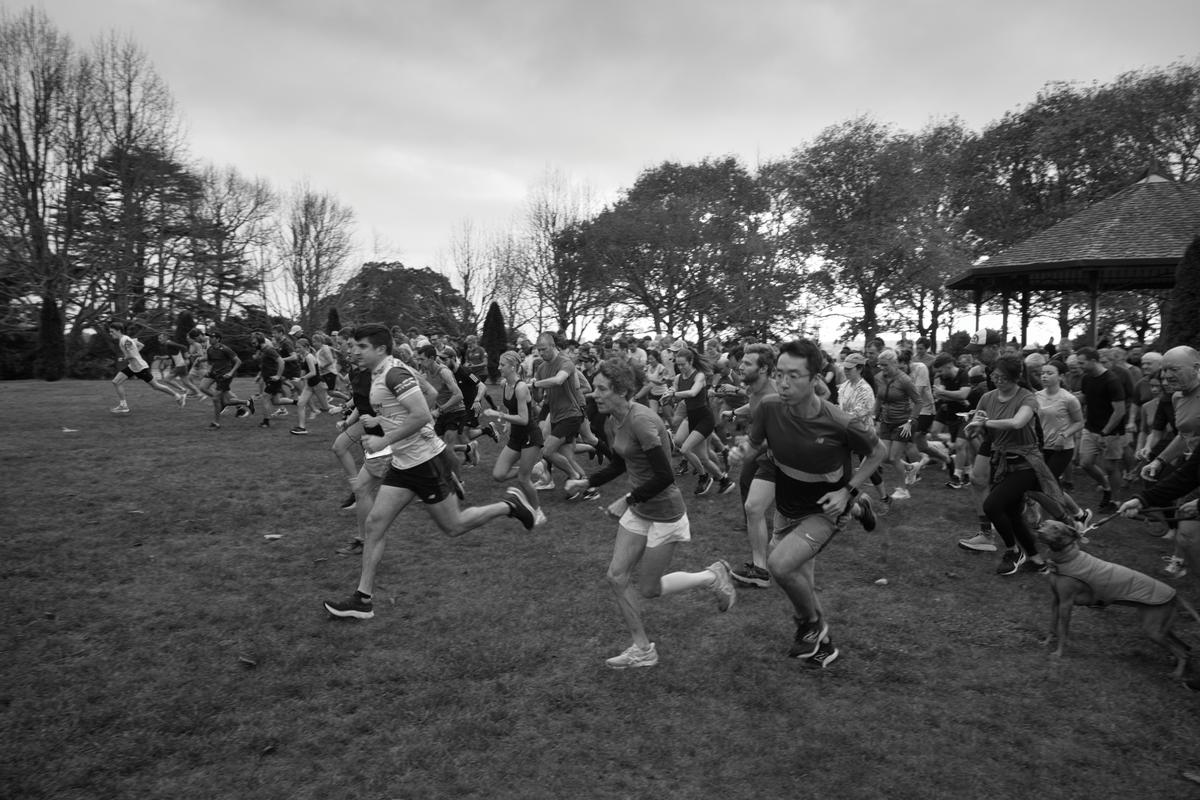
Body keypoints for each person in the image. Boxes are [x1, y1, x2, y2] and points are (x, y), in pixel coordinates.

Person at [323, 324, 538, 620]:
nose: (354, 351)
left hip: (425, 462)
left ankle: (509, 506)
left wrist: (385, 437)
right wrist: (380, 421)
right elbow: (418, 401)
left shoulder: (393, 373)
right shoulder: (381, 372)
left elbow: (423, 413)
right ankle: (363, 599)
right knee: (375, 523)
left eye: (361, 347)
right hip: (403, 464)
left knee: (455, 526)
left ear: (381, 349)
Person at [563, 358, 736, 669]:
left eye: (602, 389)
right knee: (616, 577)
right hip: (641, 507)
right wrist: (587, 480)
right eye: (596, 389)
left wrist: (626, 500)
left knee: (649, 589)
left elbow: (665, 475)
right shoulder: (612, 420)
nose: (595, 394)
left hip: (666, 513)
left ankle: (712, 576)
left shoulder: (642, 420)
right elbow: (619, 463)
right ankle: (642, 649)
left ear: (622, 390)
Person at [736, 339, 885, 667]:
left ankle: (810, 625)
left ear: (815, 378)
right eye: (780, 374)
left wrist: (848, 491)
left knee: (778, 565)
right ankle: (824, 645)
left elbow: (878, 453)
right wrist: (741, 452)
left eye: (794, 375)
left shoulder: (839, 422)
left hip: (824, 510)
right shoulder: (769, 407)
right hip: (787, 509)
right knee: (801, 580)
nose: (784, 383)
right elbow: (754, 447)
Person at [964, 355, 1073, 575]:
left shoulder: (1028, 398)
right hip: (1001, 461)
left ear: (1015, 378)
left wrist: (984, 423)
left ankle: (1014, 551)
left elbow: (1017, 423)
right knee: (1012, 512)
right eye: (995, 376)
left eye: (1003, 377)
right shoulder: (987, 397)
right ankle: (1036, 559)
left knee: (992, 506)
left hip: (1026, 463)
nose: (997, 380)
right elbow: (979, 420)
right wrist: (975, 427)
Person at [726, 343, 781, 588]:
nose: (740, 365)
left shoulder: (775, 396)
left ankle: (855, 505)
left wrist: (747, 445)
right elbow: (754, 406)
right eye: (743, 361)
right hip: (771, 458)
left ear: (764, 369)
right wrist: (736, 412)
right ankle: (760, 571)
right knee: (753, 507)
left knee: (816, 510)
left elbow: (780, 436)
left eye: (747, 363)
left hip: (794, 461)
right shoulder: (755, 391)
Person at [481, 351, 547, 526]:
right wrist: (508, 422)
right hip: (516, 436)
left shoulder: (521, 387)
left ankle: (538, 512)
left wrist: (499, 415)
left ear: (512, 367)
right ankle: (534, 468)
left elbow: (524, 419)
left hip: (529, 437)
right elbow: (512, 409)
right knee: (498, 474)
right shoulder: (505, 384)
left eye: (502, 365)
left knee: (523, 480)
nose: (499, 367)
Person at [665, 347, 733, 496]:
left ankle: (704, 477)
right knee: (695, 453)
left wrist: (673, 394)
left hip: (704, 418)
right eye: (678, 365)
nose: (681, 367)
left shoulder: (699, 376)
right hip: (691, 418)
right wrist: (669, 393)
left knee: (685, 450)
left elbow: (692, 392)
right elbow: (674, 390)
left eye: (683, 364)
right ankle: (723, 480)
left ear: (691, 362)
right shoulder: (678, 378)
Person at [532, 332, 593, 497]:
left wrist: (535, 383)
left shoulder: (565, 362)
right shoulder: (541, 368)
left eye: (544, 349)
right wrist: (533, 389)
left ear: (553, 346)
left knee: (548, 451)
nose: (541, 353)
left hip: (572, 414)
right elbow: (538, 397)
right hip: (557, 416)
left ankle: (574, 477)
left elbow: (559, 380)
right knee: (568, 457)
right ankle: (588, 489)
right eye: (539, 350)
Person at [1075, 346, 1127, 513]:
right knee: (1085, 463)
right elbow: (1084, 397)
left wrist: (1104, 432)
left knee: (1111, 467)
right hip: (1090, 428)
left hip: (1111, 432)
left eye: (1082, 363)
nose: (1080, 366)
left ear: (1093, 361)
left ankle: (1115, 501)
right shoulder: (1087, 378)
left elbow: (1120, 411)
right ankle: (1106, 487)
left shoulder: (1111, 380)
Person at [873, 349, 921, 501]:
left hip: (902, 422)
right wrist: (874, 417)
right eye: (880, 365)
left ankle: (903, 490)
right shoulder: (879, 377)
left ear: (894, 363)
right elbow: (879, 398)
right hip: (886, 421)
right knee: (884, 457)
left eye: (885, 365)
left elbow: (919, 402)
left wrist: (910, 421)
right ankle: (909, 467)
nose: (882, 368)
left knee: (893, 457)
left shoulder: (905, 380)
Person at [108, 321, 187, 413]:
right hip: (133, 367)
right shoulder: (127, 339)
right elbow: (141, 345)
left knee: (156, 386)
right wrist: (134, 348)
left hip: (140, 368)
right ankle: (123, 406)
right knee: (116, 382)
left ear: (118, 330)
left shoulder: (125, 340)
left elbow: (132, 355)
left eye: (112, 331)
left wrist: (123, 358)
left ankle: (178, 396)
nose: (110, 334)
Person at [193, 329, 252, 429]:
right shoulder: (210, 349)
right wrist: (204, 365)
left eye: (212, 337)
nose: (210, 339)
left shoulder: (225, 349)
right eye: (209, 337)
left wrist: (230, 373)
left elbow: (238, 361)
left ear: (218, 339)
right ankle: (246, 402)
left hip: (224, 375)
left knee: (216, 398)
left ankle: (216, 423)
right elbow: (211, 360)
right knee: (203, 387)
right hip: (214, 373)